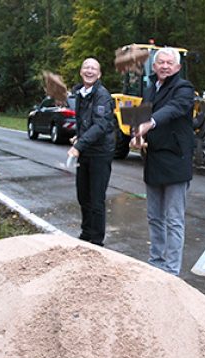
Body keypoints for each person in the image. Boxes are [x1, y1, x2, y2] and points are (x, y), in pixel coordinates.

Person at [131, 47, 195, 276]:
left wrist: (151, 123)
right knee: (154, 217)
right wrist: (135, 136)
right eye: (161, 62)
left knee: (174, 219)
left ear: (177, 67)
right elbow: (139, 117)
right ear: (154, 66)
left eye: (170, 63)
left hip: (176, 160)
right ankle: (156, 261)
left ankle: (171, 270)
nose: (165, 66)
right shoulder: (149, 90)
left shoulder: (184, 89)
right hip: (154, 159)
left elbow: (174, 109)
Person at [67, 58, 117, 246]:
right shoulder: (80, 93)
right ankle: (86, 234)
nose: (89, 71)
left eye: (93, 68)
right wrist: (77, 136)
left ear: (99, 74)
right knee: (83, 195)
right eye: (86, 68)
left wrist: (78, 146)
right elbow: (84, 122)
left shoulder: (102, 95)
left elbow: (101, 125)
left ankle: (96, 241)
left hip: (100, 152)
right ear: (81, 72)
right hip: (86, 150)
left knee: (96, 198)